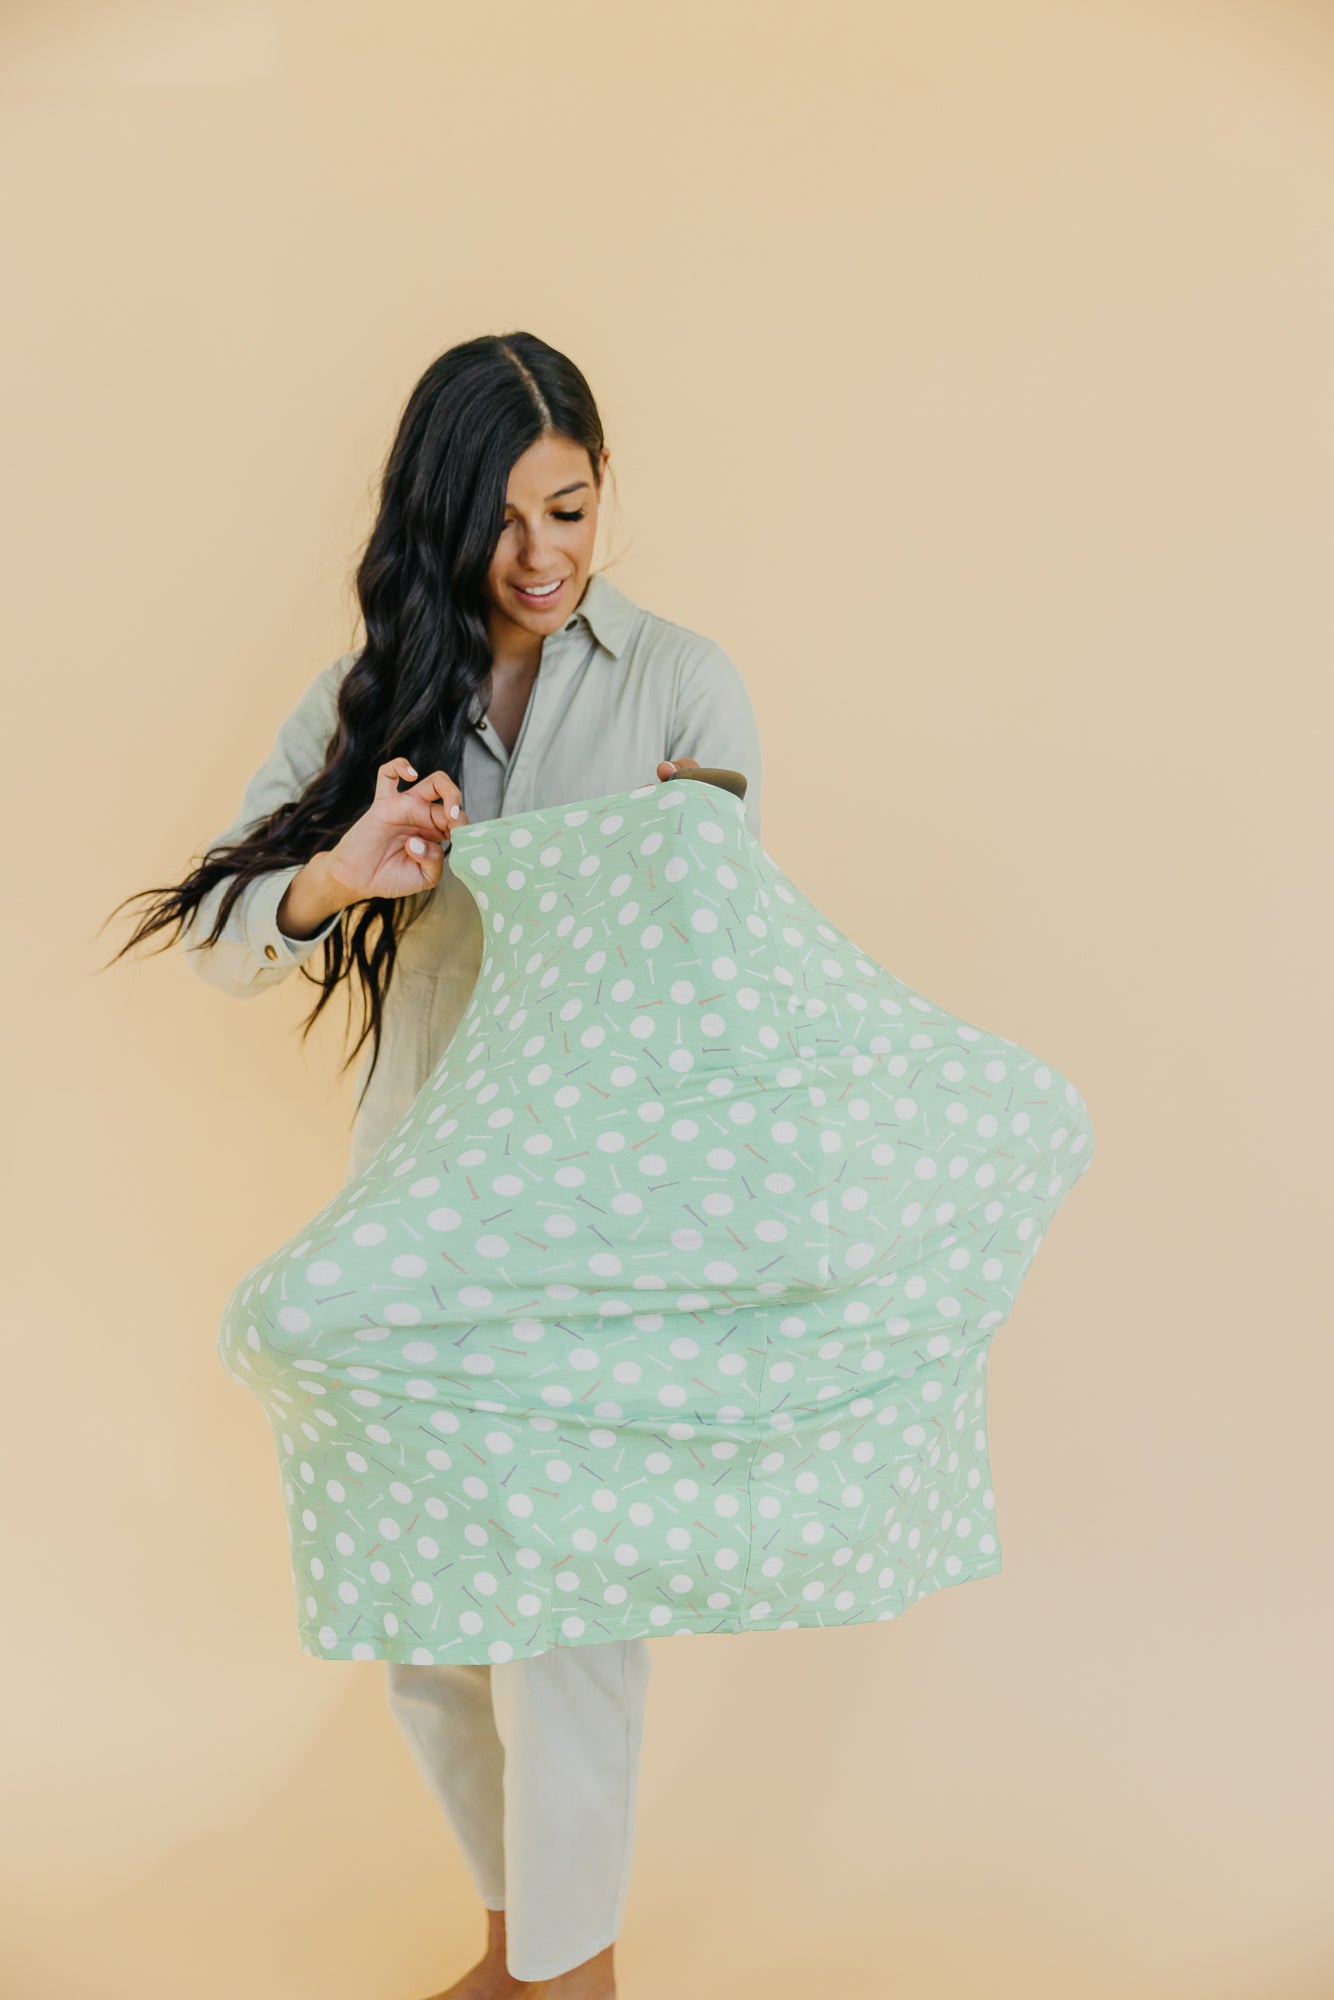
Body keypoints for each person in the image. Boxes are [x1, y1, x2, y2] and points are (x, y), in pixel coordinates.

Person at [109, 330, 764, 2000]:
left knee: (574, 1625)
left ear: (604, 489)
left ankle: (572, 1976)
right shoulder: (376, 693)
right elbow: (220, 934)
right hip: (417, 1216)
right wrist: (340, 872)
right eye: (502, 522)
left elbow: (727, 974)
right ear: (442, 519)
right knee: (426, 1618)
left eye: (571, 508)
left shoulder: (683, 684)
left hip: (601, 1224)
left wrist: (678, 867)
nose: (542, 557)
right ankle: (510, 1941)